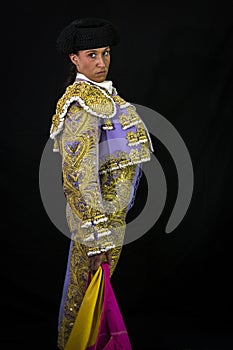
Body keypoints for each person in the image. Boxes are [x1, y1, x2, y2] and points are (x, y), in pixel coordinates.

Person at [49, 17, 154, 349]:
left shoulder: (106, 98)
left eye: (105, 54)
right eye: (91, 55)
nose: (101, 63)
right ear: (74, 59)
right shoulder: (81, 104)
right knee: (83, 300)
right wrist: (96, 240)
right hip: (97, 224)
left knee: (94, 299)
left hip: (112, 220)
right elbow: (80, 178)